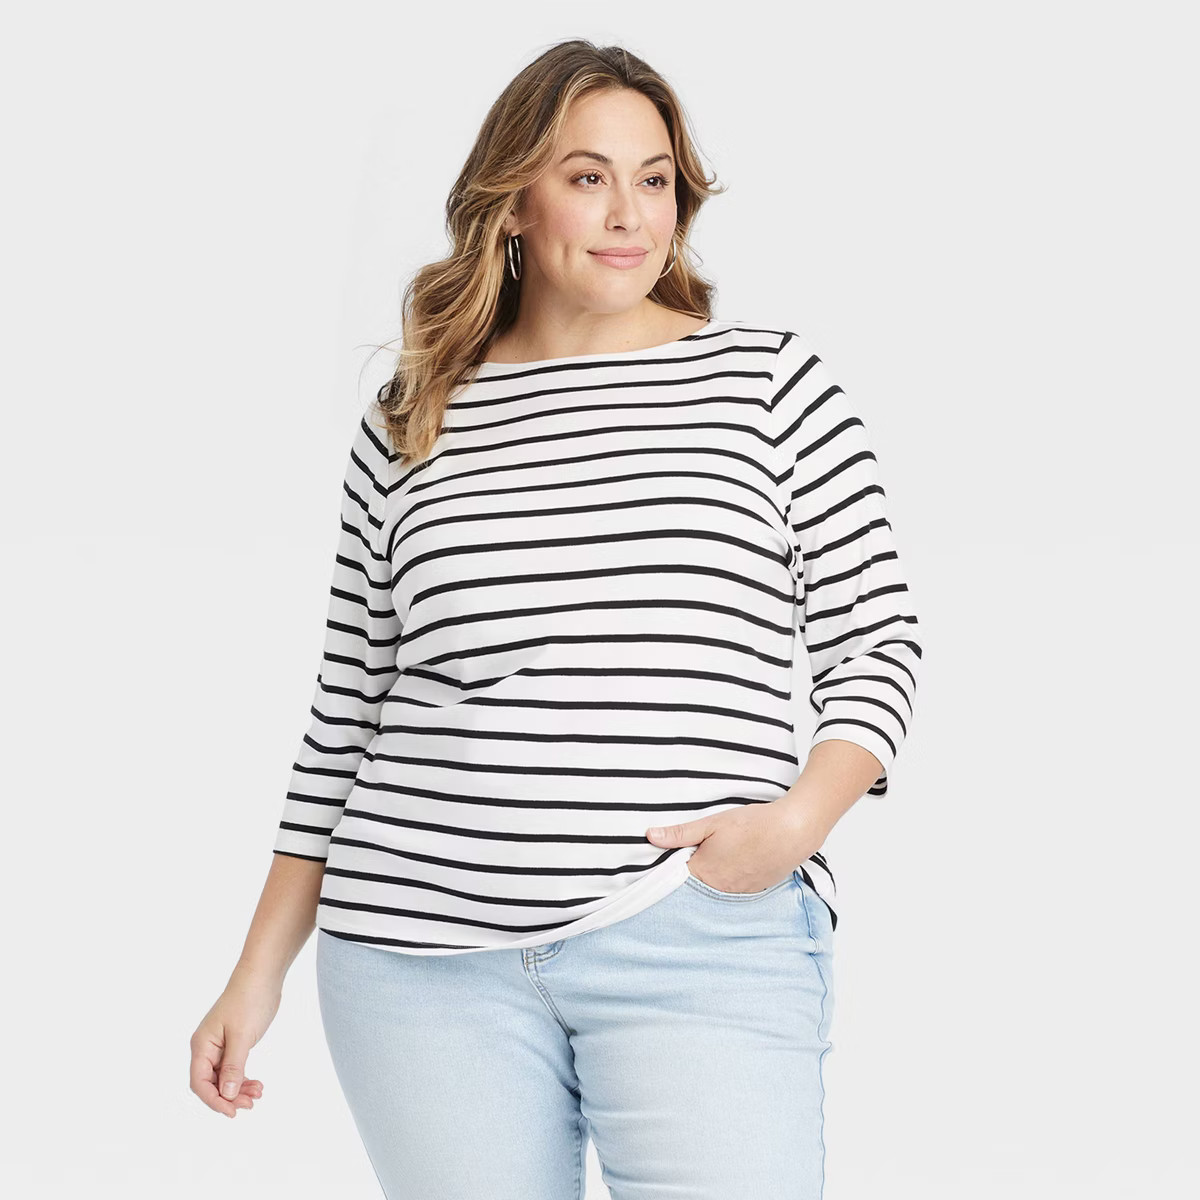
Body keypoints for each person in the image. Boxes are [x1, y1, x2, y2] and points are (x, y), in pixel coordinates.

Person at [190, 39, 923, 1200]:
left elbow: (876, 641)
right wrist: (256, 972)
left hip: (690, 931)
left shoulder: (769, 384)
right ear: (514, 204)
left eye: (654, 179)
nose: (630, 214)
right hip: (415, 958)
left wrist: (792, 829)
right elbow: (345, 717)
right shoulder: (413, 419)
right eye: (588, 177)